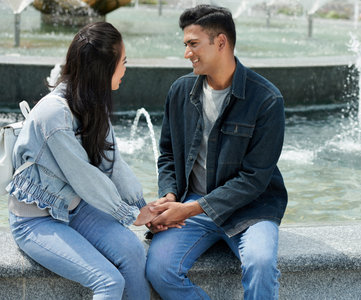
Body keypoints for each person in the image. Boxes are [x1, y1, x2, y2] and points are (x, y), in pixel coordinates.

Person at [145, 5, 288, 300]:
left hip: (253, 209)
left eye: (193, 44)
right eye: (186, 45)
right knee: (158, 269)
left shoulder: (267, 99)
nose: (187, 53)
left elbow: (254, 179)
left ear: (220, 42)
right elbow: (168, 154)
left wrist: (190, 209)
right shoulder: (180, 91)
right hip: (193, 204)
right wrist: (171, 195)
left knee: (261, 264)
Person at [7, 22, 155, 299]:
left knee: (134, 251)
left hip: (75, 209)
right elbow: (86, 178)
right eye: (123, 62)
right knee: (109, 281)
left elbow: (113, 165)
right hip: (37, 220)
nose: (125, 69)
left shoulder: (93, 103)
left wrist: (143, 208)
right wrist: (130, 216)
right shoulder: (54, 114)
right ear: (103, 69)